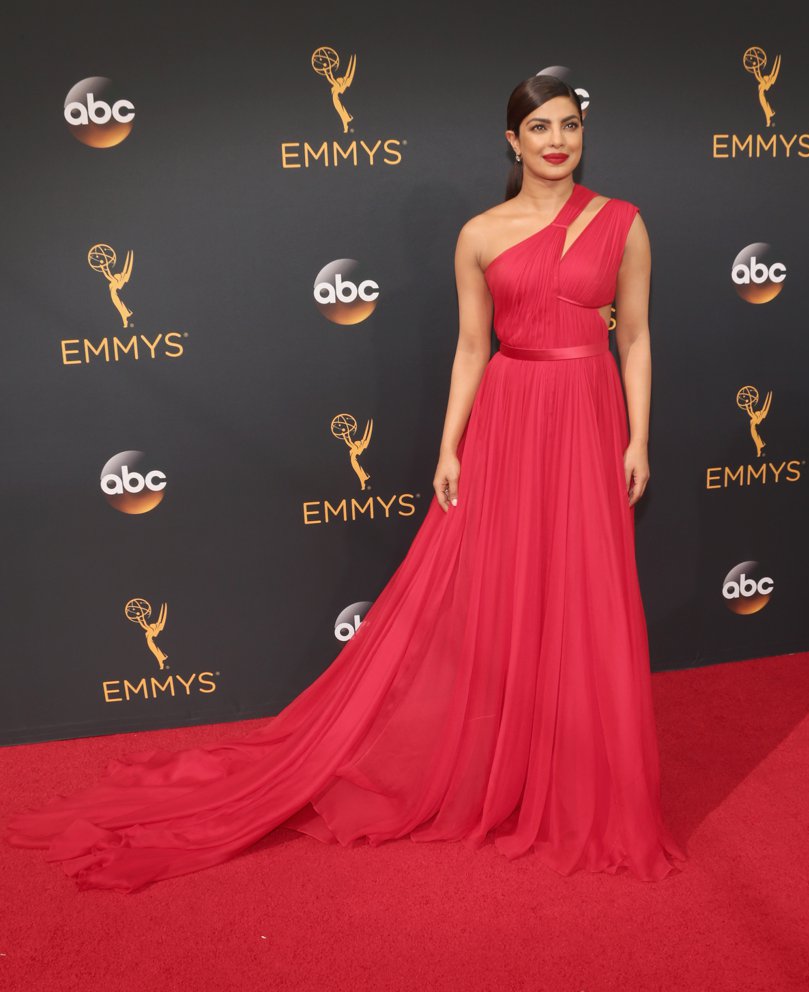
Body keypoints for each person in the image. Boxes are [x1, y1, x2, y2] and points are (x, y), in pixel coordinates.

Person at [6, 75, 687, 892]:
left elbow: (637, 338)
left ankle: (583, 781)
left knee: (583, 592)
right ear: (511, 140)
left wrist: (638, 437)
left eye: (568, 126)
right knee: (500, 588)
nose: (555, 141)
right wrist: (450, 447)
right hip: (509, 418)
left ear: (583, 134)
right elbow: (474, 348)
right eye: (538, 126)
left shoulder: (625, 223)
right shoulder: (479, 234)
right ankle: (505, 764)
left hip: (587, 415)